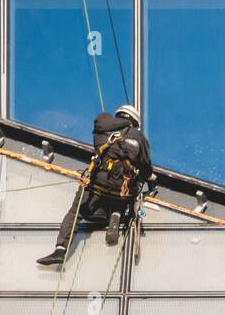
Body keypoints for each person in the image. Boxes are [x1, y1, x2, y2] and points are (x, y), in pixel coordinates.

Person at [37, 104, 153, 267]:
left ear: (118, 115)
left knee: (75, 213)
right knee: (132, 188)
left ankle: (60, 250)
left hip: (97, 182)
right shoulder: (140, 138)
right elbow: (146, 170)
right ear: (134, 122)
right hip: (123, 189)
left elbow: (99, 127)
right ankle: (117, 212)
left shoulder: (103, 123)